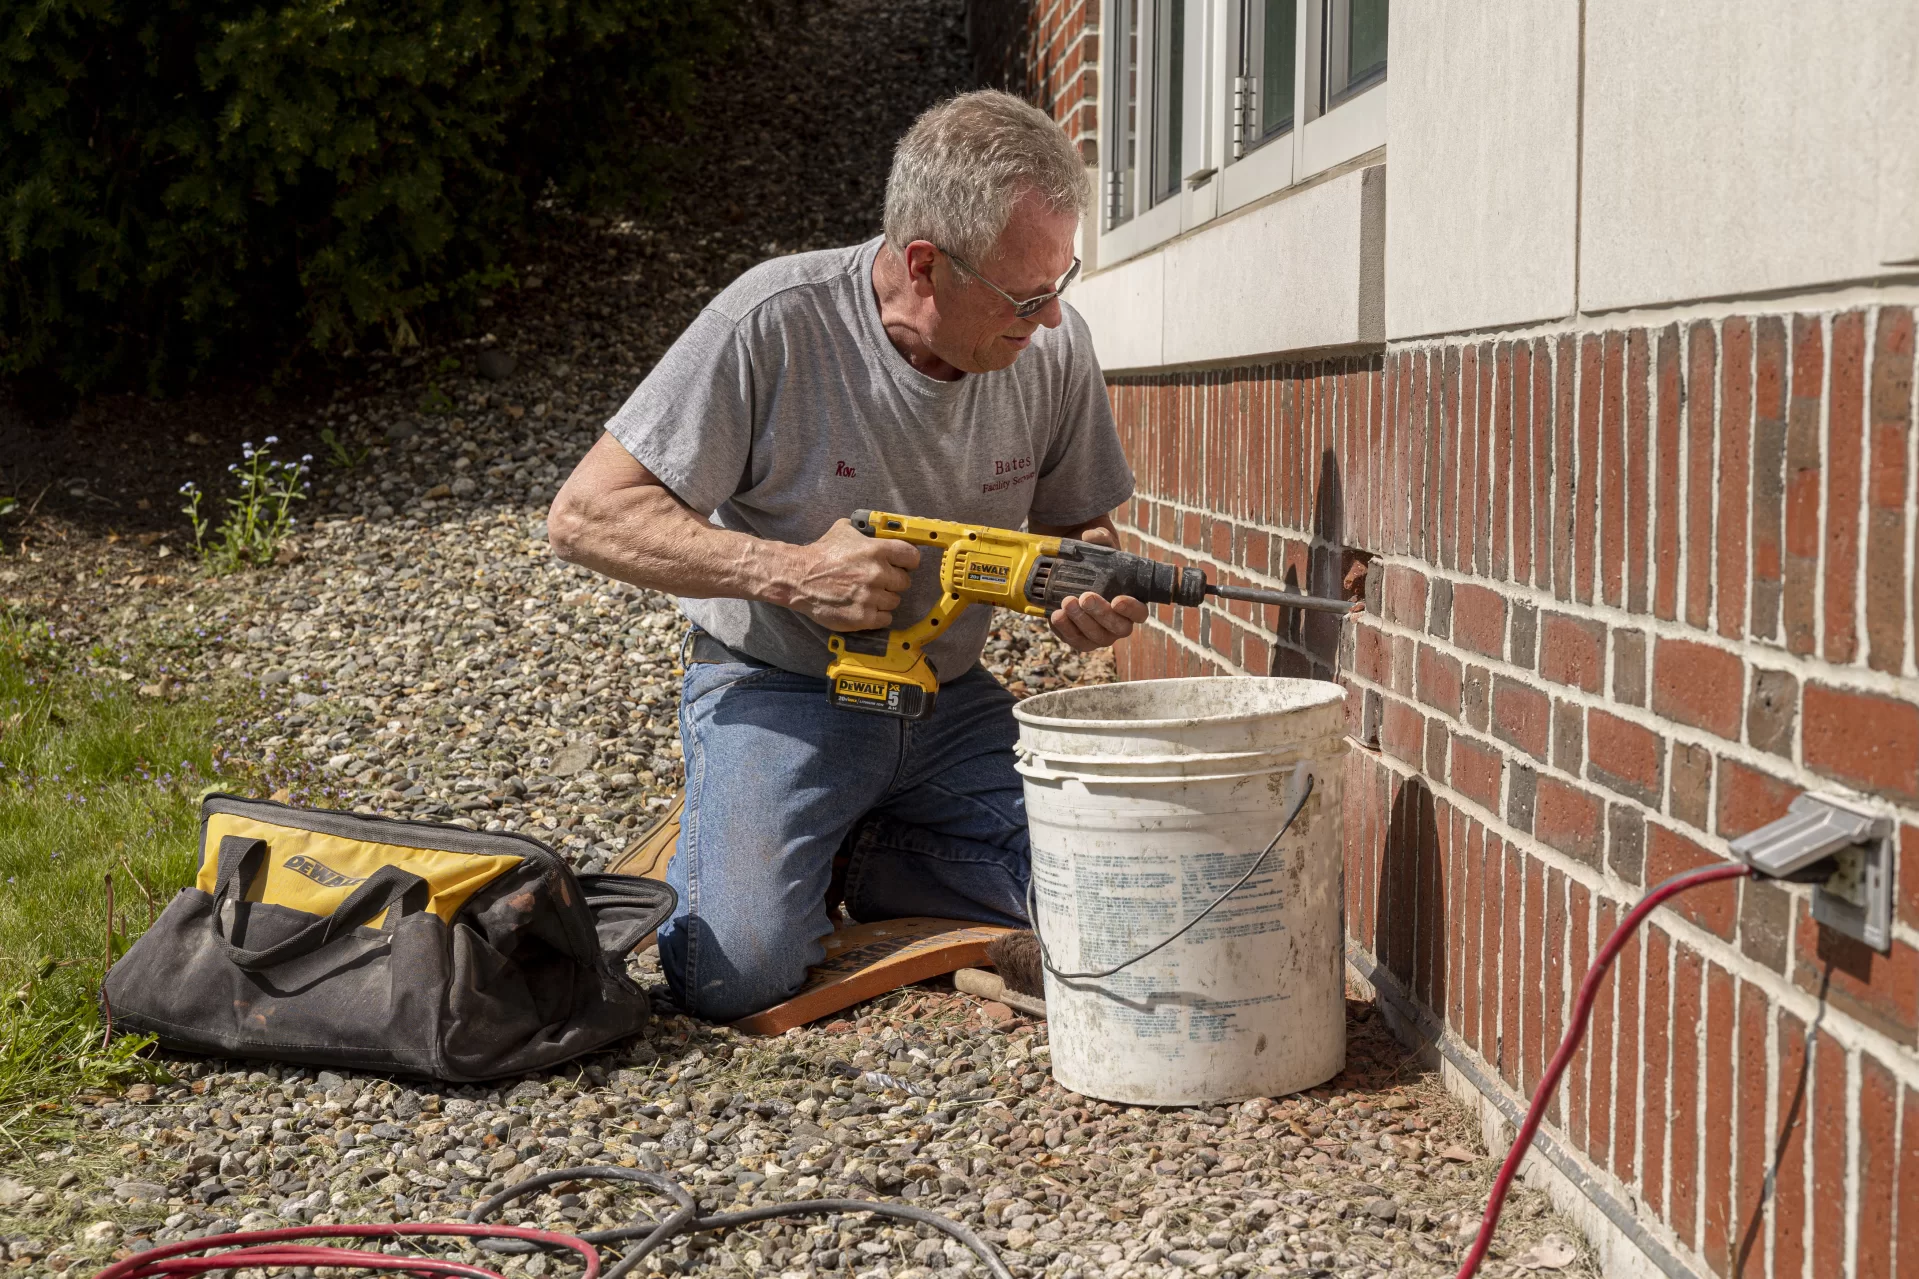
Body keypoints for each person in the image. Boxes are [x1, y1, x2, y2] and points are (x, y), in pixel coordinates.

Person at [548, 89, 1142, 1021]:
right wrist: (786, 572)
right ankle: (768, 819)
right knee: (733, 975)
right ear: (923, 266)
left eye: (1060, 287)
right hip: (779, 688)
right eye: (1026, 296)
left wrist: (1086, 581)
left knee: (1122, 898)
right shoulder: (775, 319)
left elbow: (1079, 531)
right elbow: (584, 514)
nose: (1050, 320)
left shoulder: (1053, 353)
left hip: (949, 704)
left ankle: (865, 854)